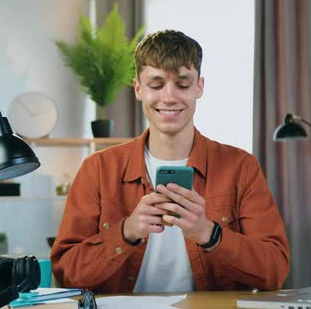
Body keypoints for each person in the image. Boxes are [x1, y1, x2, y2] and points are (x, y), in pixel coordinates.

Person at [50, 30, 289, 293]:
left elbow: (274, 272)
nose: (169, 97)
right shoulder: (98, 169)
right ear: (138, 89)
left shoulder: (241, 167)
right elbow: (66, 273)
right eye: (156, 85)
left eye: (183, 84)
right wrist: (127, 231)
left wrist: (209, 234)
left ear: (200, 87)